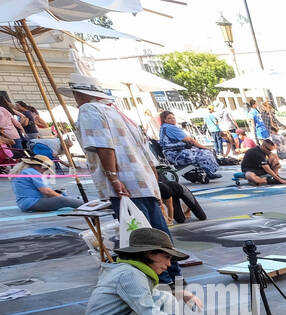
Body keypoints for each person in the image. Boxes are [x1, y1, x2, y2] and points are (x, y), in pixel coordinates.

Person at [66, 73, 182, 284]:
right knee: (158, 232)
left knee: (141, 235)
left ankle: (162, 278)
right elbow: (146, 152)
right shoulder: (118, 112)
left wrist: (113, 177)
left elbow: (104, 145)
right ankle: (172, 274)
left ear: (79, 94)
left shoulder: (89, 110)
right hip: (142, 179)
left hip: (126, 183)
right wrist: (154, 181)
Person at [83, 227, 223, 315]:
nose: (169, 264)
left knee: (161, 296)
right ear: (149, 253)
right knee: (164, 299)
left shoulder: (125, 270)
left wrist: (182, 293)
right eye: (167, 257)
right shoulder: (130, 276)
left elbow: (145, 296)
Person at [157, 110, 221, 179]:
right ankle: (209, 172)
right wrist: (204, 148)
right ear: (164, 120)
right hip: (176, 154)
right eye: (169, 118)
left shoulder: (163, 127)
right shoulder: (171, 127)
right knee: (206, 153)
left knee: (198, 151)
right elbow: (190, 140)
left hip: (171, 154)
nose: (172, 120)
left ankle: (204, 172)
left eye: (173, 118)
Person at [11, 153, 79, 212]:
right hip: (32, 202)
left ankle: (82, 203)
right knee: (63, 200)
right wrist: (62, 197)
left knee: (65, 196)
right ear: (39, 166)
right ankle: (87, 206)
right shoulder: (32, 172)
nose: (45, 170)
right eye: (46, 168)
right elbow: (46, 191)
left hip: (24, 203)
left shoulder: (24, 171)